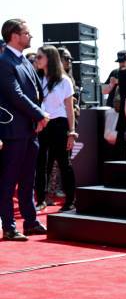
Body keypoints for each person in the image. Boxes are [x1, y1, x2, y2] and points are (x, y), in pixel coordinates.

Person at [0, 19, 49, 240]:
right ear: (14, 35)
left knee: (29, 178)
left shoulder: (25, 62)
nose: (30, 37)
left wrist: (40, 117)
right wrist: (40, 115)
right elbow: (15, 95)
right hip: (13, 131)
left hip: (31, 130)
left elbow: (38, 93)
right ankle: (9, 227)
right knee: (9, 180)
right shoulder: (4, 62)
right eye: (26, 33)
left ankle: (30, 222)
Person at [34, 45, 77, 212]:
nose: (36, 60)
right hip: (41, 124)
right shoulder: (36, 78)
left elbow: (69, 107)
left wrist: (71, 132)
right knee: (41, 164)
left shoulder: (64, 80)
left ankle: (70, 200)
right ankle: (41, 200)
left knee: (64, 163)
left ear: (49, 59)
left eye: (39, 57)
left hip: (59, 124)